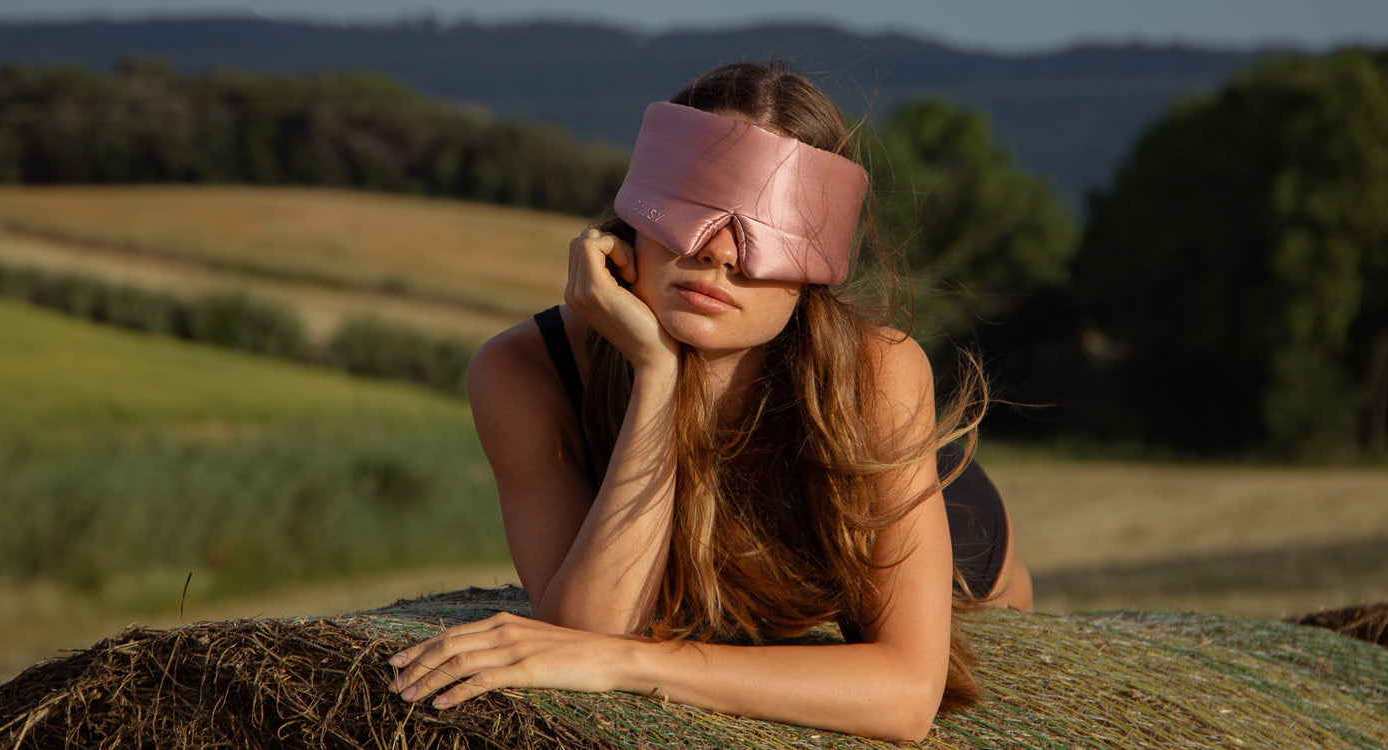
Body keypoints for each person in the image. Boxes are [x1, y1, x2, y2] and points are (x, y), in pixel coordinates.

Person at [386, 62, 1032, 743]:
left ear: (817, 267)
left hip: (934, 514)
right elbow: (581, 637)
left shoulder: (880, 372)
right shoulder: (524, 372)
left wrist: (632, 664)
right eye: (696, 205)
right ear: (637, 207)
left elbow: (906, 698)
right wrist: (656, 376)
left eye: (768, 226)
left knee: (997, 611)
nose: (721, 252)